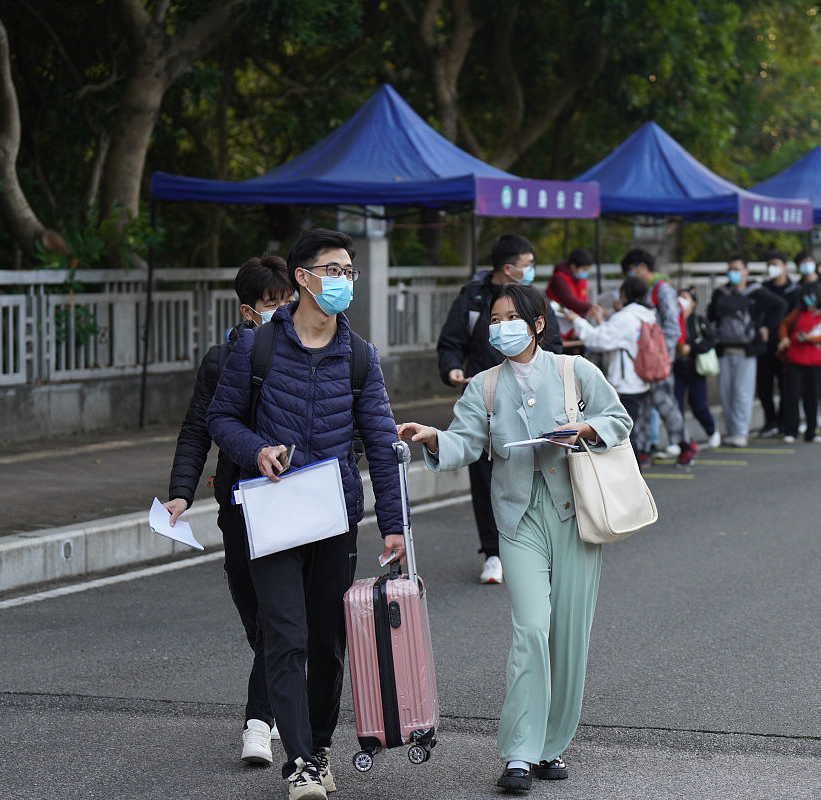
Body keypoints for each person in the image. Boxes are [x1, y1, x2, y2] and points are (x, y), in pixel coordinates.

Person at [396, 284, 631, 794]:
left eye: (511, 318)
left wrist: (584, 431)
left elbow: (618, 419)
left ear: (538, 324)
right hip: (519, 522)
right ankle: (520, 753)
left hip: (574, 516)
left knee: (568, 636)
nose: (500, 326)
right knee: (531, 628)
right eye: (494, 318)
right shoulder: (482, 385)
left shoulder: (576, 371)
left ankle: (552, 745)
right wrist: (435, 438)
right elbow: (466, 442)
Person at [207, 229, 406, 800]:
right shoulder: (256, 348)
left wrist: (393, 524)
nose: (343, 280)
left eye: (349, 271)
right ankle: (299, 761)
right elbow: (221, 421)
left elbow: (381, 442)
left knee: (326, 641)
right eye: (333, 270)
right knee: (285, 637)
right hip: (271, 512)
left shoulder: (360, 356)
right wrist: (256, 451)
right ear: (302, 277)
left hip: (333, 517)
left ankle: (318, 747)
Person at [162, 256, 294, 767]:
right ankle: (279, 680)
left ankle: (258, 723)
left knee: (279, 613)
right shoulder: (221, 361)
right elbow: (197, 428)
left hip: (292, 502)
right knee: (254, 607)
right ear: (248, 311)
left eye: (289, 300)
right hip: (237, 502)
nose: (284, 311)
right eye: (272, 303)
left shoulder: (314, 353)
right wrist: (180, 491)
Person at [436, 234, 564, 584]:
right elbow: (450, 342)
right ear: (508, 269)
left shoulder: (536, 302)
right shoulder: (472, 298)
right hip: (487, 402)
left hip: (534, 404)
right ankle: (493, 552)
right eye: (527, 264)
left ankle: (542, 544)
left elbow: (556, 347)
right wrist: (452, 369)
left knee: (539, 472)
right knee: (485, 478)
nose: (532, 270)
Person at [565, 276, 659, 464]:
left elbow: (598, 341)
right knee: (636, 429)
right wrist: (602, 321)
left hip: (625, 383)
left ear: (625, 294)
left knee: (625, 436)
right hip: (640, 379)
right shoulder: (647, 314)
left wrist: (576, 320)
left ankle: (633, 476)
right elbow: (613, 337)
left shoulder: (625, 318)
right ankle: (637, 470)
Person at [620, 247, 698, 464]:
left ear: (641, 268)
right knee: (644, 407)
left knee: (665, 404)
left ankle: (686, 444)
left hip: (658, 361)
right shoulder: (648, 289)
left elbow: (673, 327)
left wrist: (665, 356)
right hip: (644, 361)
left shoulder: (663, 290)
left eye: (629, 272)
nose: (627, 278)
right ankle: (643, 450)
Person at [709, 254, 785, 448]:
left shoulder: (756, 292)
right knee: (726, 394)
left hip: (747, 350)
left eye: (737, 269)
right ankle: (732, 431)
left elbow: (780, 305)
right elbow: (711, 316)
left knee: (742, 393)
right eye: (730, 269)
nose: (733, 273)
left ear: (746, 271)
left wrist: (767, 326)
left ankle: (741, 432)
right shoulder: (721, 293)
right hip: (724, 350)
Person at [776, 282, 821, 443]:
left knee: (812, 397)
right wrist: (784, 338)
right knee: (792, 395)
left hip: (816, 361)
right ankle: (791, 430)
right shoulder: (798, 312)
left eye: (810, 295)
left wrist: (808, 338)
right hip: (795, 358)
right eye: (804, 295)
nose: (807, 298)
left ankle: (812, 430)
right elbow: (784, 324)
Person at [758, 250, 800, 436]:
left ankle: (784, 420)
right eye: (769, 264)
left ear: (785, 266)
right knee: (764, 385)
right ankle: (770, 420)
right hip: (765, 345)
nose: (772, 268)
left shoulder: (795, 291)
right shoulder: (763, 289)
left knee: (786, 385)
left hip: (786, 345)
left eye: (775, 264)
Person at [673, 288, 720, 448]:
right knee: (676, 406)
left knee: (698, 405)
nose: (680, 300)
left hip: (695, 368)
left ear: (693, 303)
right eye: (678, 297)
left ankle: (711, 430)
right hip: (676, 368)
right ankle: (681, 441)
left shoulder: (698, 320)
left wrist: (691, 348)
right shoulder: (671, 319)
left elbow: (710, 341)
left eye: (685, 297)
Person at [546, 247, 604, 325]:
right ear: (573, 266)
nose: (586, 272)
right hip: (559, 323)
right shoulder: (559, 279)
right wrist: (590, 307)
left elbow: (581, 300)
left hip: (575, 322)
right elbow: (570, 301)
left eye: (587, 269)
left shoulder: (580, 279)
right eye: (584, 269)